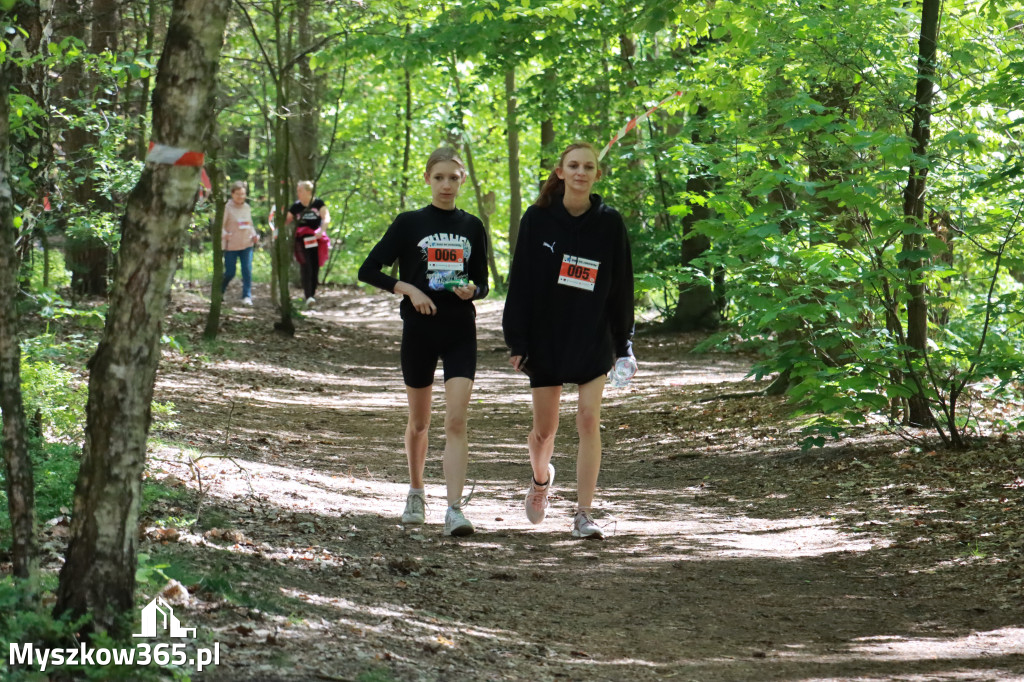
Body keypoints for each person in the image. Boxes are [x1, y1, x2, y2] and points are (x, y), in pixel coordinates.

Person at [502, 142, 635, 540]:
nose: (581, 172)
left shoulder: (610, 222)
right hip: (546, 338)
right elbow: (520, 282)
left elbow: (622, 287)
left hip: (592, 336)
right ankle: (541, 481)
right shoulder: (537, 219)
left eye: (588, 167)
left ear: (597, 175)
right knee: (545, 431)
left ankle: (584, 513)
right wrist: (516, 340)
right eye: (573, 165)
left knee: (589, 420)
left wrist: (622, 343)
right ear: (560, 172)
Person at [358, 148, 490, 537]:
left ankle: (454, 509)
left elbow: (482, 280)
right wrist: (409, 290)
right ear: (428, 179)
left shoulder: (473, 226)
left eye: (454, 178)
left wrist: (472, 290)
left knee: (456, 421)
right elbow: (368, 270)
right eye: (439, 178)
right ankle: (416, 491)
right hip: (419, 331)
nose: (447, 185)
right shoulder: (409, 223)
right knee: (419, 423)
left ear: (462, 180)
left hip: (460, 331)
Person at [285, 180, 330, 307]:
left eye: (300, 190)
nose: (298, 193)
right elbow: (286, 220)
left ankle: (312, 294)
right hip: (301, 240)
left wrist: (322, 230)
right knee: (305, 265)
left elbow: (326, 217)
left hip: (315, 239)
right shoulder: (296, 206)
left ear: (308, 192)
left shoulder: (318, 203)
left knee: (314, 267)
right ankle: (308, 296)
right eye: (297, 191)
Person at [221, 181, 259, 305]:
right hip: (231, 246)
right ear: (232, 194)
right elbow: (219, 226)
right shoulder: (227, 207)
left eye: (243, 194)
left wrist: (254, 235)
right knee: (230, 272)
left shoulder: (247, 207)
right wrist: (224, 234)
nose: (241, 197)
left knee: (247, 270)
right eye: (238, 194)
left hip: (246, 244)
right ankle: (220, 291)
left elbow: (250, 225)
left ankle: (246, 296)